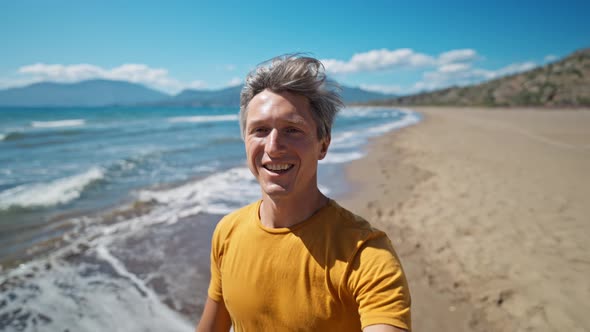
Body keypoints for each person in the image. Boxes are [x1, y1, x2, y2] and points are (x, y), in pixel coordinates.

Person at [196, 54, 411, 332]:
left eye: (292, 130)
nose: (273, 147)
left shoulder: (365, 254)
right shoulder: (228, 232)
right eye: (259, 130)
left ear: (323, 144)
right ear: (245, 141)